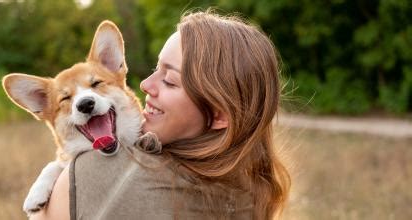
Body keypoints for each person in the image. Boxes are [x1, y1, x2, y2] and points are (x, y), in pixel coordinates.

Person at [31, 10, 290, 220]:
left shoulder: (95, 174)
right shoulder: (252, 189)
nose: (144, 84)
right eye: (156, 68)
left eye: (169, 80)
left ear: (219, 114)